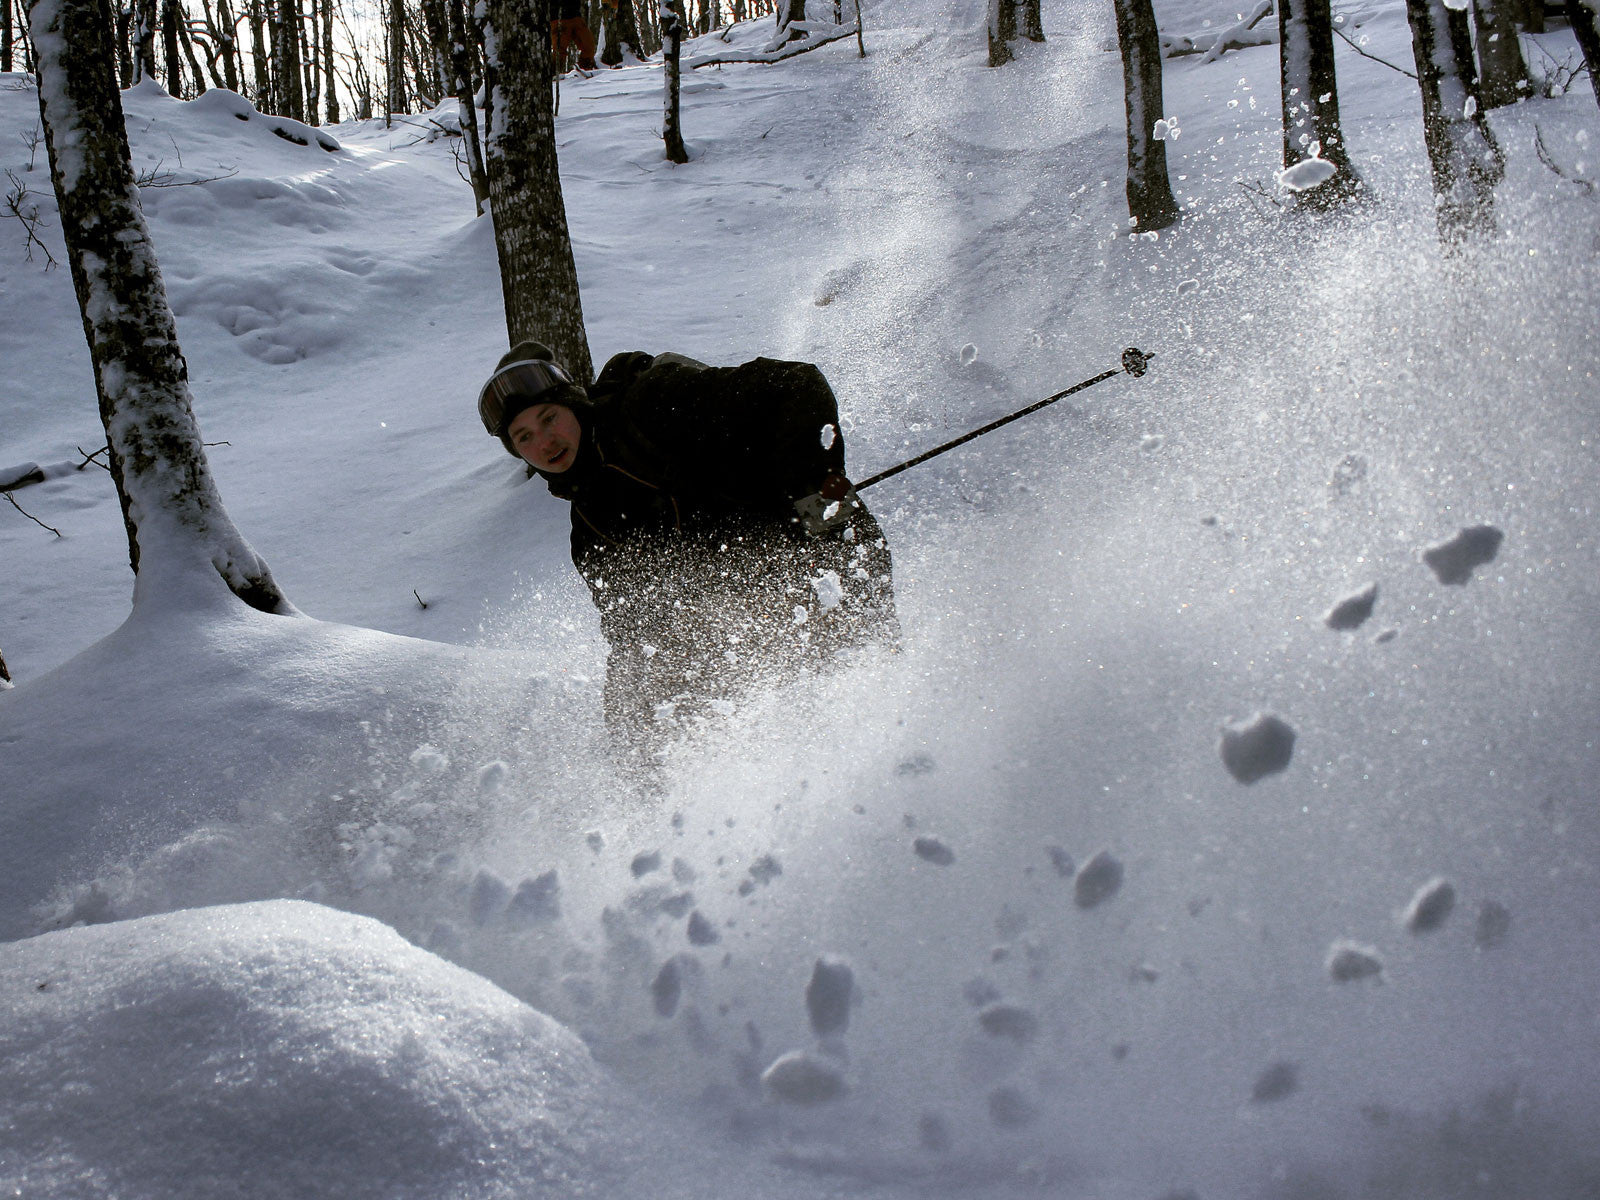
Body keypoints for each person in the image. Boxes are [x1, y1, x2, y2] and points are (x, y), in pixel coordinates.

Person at [477, 341, 897, 744]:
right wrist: (630, 733)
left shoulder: (652, 406)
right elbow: (633, 638)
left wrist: (810, 499)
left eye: (549, 418)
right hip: (754, 626)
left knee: (866, 696)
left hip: (825, 559)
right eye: (524, 436)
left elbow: (797, 385)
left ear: (573, 403)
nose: (545, 442)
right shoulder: (591, 532)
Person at [551, 0, 599, 73]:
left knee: (588, 46)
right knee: (559, 51)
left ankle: (585, 71)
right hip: (558, 18)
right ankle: (554, 75)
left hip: (575, 16)